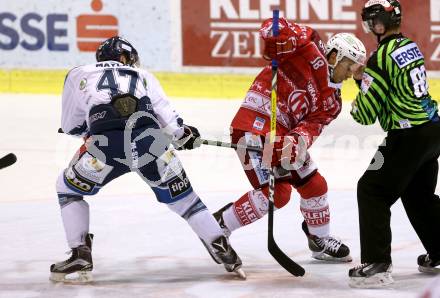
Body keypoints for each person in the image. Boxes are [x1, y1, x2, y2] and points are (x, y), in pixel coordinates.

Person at [50, 36, 245, 283]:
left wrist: (87, 132)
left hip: (106, 147)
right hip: (151, 143)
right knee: (187, 202)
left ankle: (80, 253)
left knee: (67, 189)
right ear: (124, 58)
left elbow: (70, 125)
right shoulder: (142, 75)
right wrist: (184, 135)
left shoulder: (79, 74)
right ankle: (225, 252)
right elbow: (170, 120)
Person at [213, 18, 366, 262]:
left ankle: (319, 240)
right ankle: (217, 228)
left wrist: (295, 144)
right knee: (277, 194)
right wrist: (278, 36)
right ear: (335, 56)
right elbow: (272, 25)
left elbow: (310, 127)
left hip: (281, 137)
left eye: (355, 68)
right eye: (349, 66)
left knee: (315, 185)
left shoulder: (333, 102)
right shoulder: (308, 48)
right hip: (252, 128)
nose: (351, 74)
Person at [348, 0, 440, 288]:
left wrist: (358, 81)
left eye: (369, 21)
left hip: (406, 137)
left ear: (378, 25)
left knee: (371, 189)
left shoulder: (379, 57)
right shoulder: (410, 47)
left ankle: (377, 265)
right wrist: (370, 79)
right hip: (433, 132)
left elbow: (364, 114)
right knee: (418, 195)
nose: (367, 27)